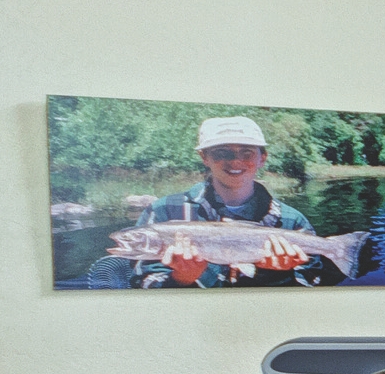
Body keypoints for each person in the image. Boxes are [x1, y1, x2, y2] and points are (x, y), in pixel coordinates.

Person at [122, 116, 333, 289]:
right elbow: (143, 285)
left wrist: (279, 276)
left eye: (246, 152)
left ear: (263, 158)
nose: (235, 161)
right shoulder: (162, 212)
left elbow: (312, 285)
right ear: (204, 157)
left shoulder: (293, 221)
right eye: (222, 153)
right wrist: (181, 279)